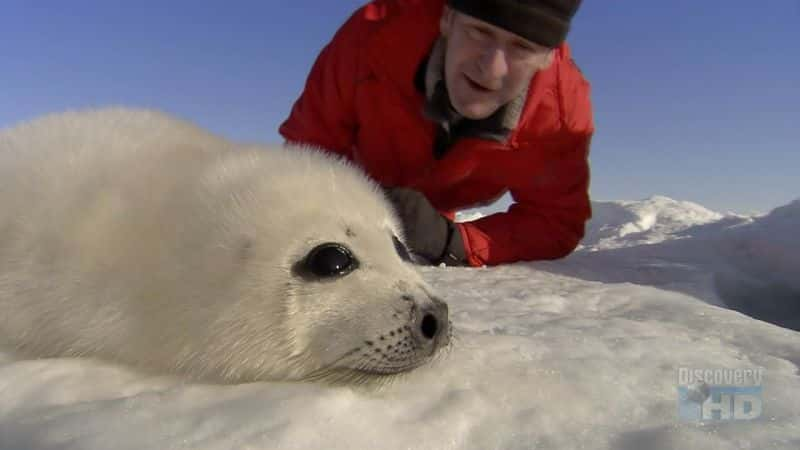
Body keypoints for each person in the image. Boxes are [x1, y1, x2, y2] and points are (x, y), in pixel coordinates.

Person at [279, 0, 593, 267]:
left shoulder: (559, 114)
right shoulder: (369, 39)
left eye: (522, 47)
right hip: (355, 191)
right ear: (448, 18)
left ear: (547, 56)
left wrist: (453, 241)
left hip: (436, 219)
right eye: (479, 31)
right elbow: (305, 161)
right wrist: (350, 211)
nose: (493, 67)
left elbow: (556, 221)